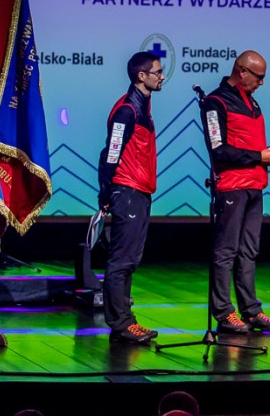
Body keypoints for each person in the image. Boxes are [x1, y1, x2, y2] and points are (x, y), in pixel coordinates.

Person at [202, 50, 270, 334]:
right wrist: (259, 156)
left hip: (254, 185)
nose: (262, 83)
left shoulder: (252, 102)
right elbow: (219, 150)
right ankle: (225, 312)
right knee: (225, 252)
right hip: (232, 186)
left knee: (249, 251)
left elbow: (250, 144)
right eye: (258, 77)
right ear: (242, 71)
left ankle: (251, 310)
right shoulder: (215, 102)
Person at [97, 51, 166, 344]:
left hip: (139, 190)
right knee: (121, 260)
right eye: (157, 72)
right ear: (141, 76)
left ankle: (126, 319)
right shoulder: (127, 111)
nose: (162, 77)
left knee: (130, 260)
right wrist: (106, 192)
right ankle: (121, 323)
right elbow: (111, 152)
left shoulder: (142, 106)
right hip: (126, 190)